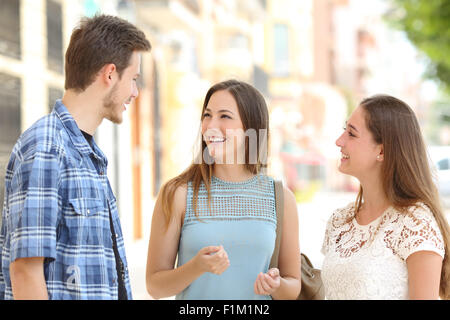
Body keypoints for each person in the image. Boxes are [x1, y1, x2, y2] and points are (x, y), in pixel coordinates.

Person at [0, 14, 151, 300]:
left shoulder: (89, 154)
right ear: (109, 74)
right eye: (133, 79)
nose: (135, 92)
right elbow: (25, 273)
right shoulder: (47, 146)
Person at [146, 79, 301, 300]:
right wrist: (195, 268)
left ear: (251, 128)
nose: (210, 125)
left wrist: (276, 285)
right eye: (207, 115)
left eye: (224, 116)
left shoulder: (281, 198)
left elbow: (293, 286)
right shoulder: (177, 194)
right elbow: (154, 286)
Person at [321, 94, 450, 300]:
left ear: (381, 150)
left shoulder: (415, 224)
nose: (339, 141)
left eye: (351, 134)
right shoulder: (340, 220)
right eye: (343, 131)